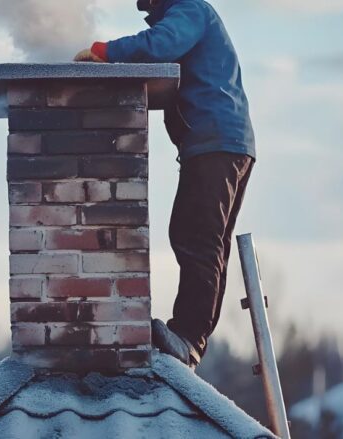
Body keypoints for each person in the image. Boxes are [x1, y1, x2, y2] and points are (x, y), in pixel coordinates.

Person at [74, 0, 256, 369]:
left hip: (215, 143)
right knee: (202, 239)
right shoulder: (188, 13)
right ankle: (191, 339)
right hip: (221, 143)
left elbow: (161, 43)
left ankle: (188, 338)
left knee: (196, 238)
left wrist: (103, 51)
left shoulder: (190, 9)